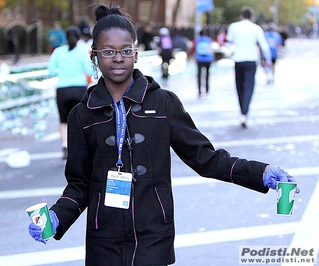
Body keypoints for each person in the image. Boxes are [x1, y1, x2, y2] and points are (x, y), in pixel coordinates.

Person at [28, 4, 299, 266]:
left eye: (126, 50)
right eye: (109, 51)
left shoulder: (164, 103)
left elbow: (205, 158)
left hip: (153, 235)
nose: (118, 57)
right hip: (103, 239)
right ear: (94, 56)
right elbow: (78, 184)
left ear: (137, 54)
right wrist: (55, 217)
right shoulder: (81, 114)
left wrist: (259, 173)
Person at [47, 26, 93, 160]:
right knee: (82, 120)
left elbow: (50, 71)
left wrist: (62, 72)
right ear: (79, 37)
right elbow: (90, 72)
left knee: (63, 120)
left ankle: (65, 145)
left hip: (63, 89)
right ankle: (81, 146)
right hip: (80, 88)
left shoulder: (58, 52)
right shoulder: (82, 51)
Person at [226, 6, 271, 128]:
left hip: (238, 60)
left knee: (239, 87)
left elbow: (229, 43)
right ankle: (245, 113)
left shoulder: (234, 27)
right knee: (248, 87)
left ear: (241, 16)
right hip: (251, 60)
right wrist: (268, 60)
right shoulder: (256, 28)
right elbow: (264, 46)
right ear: (252, 17)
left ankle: (242, 112)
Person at [189, 28, 214, 97]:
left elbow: (192, 49)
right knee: (207, 75)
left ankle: (199, 92)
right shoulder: (209, 39)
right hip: (208, 59)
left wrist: (190, 55)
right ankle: (207, 90)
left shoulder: (197, 40)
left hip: (200, 59)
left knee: (199, 75)